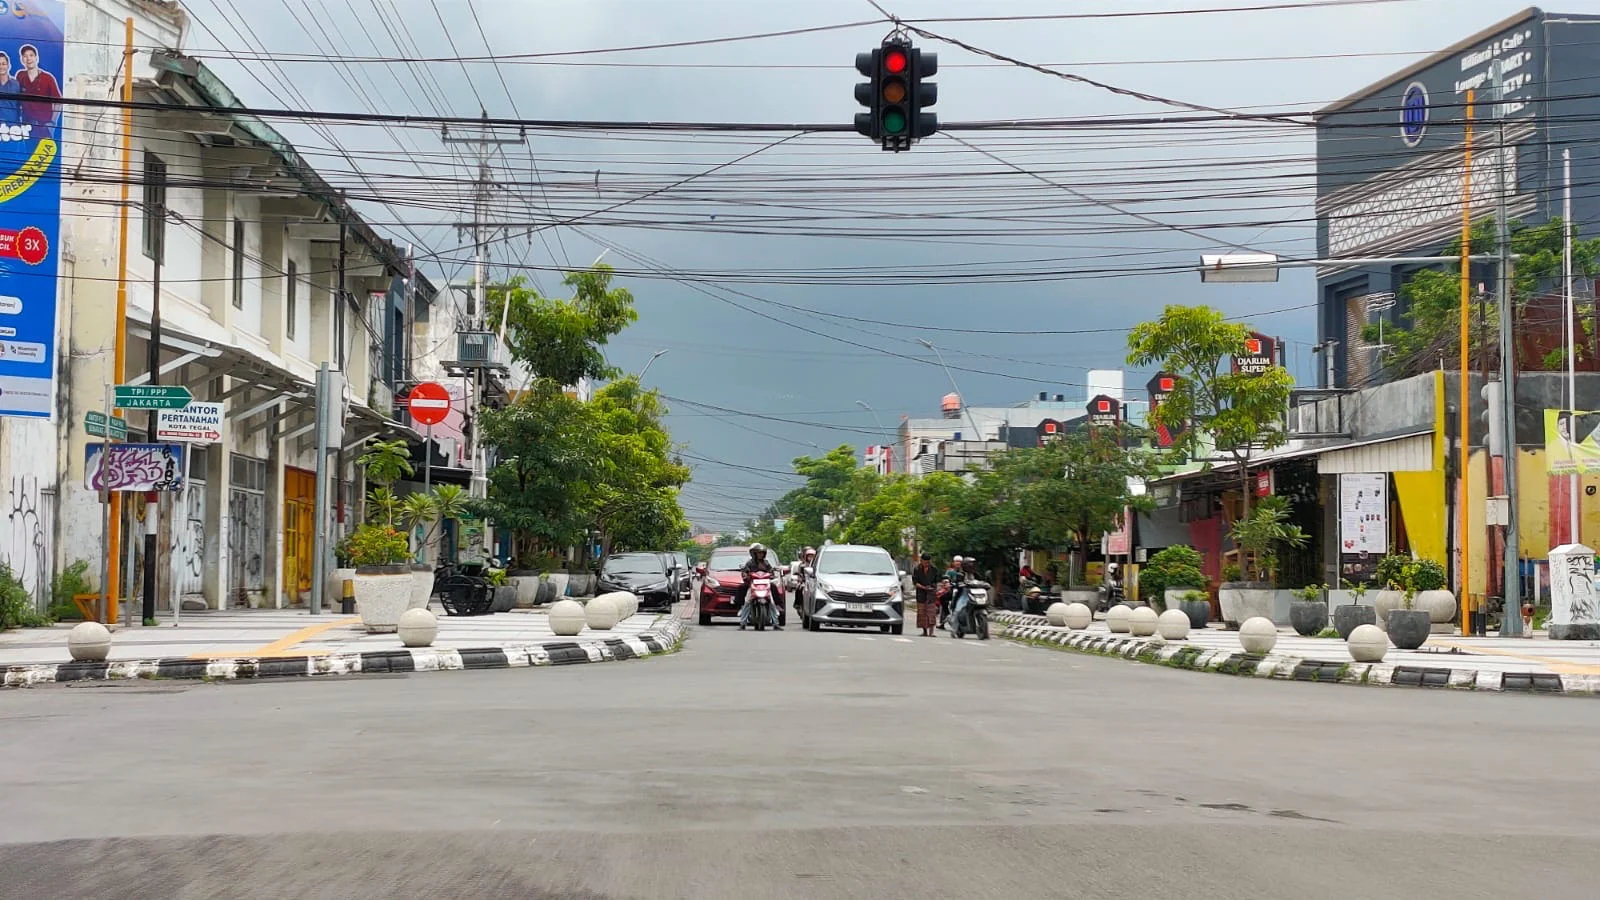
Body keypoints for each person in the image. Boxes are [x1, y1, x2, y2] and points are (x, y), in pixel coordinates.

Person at [16, 44, 60, 139]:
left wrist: (52, 122)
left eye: (31, 55)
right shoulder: (20, 76)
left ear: (36, 58)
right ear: (22, 59)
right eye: (25, 56)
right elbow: (17, 99)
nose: (28, 59)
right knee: (29, 153)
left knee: (44, 153)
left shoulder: (48, 78)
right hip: (26, 126)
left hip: (44, 126)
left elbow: (58, 102)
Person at [738, 543, 780, 631]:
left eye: (762, 553)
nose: (760, 555)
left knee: (771, 602)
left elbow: (771, 571)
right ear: (754, 554)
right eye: (758, 553)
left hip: (765, 585)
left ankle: (775, 623)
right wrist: (746, 575)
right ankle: (743, 623)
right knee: (747, 601)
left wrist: (772, 574)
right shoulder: (750, 563)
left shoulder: (766, 563)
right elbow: (745, 571)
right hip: (753, 584)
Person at [912, 553, 939, 637]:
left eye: (928, 562)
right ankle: (924, 631)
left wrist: (932, 587)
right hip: (921, 593)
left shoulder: (934, 569)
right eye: (925, 562)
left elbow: (936, 581)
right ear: (921, 561)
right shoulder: (917, 569)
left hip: (931, 593)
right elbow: (915, 582)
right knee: (922, 612)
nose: (926, 564)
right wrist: (923, 587)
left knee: (931, 612)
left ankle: (931, 632)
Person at [0, 52, 21, 128]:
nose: (1, 66)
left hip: (13, 128)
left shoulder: (16, 85)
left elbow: (20, 107)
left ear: (8, 66)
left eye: (3, 64)